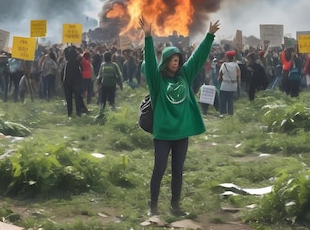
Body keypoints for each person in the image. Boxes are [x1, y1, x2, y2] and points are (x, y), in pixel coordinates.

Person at [140, 16, 220, 217]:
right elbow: (150, 62)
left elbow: (198, 58)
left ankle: (175, 206)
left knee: (178, 171)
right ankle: (153, 206)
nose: (176, 63)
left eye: (178, 60)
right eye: (173, 60)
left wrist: (209, 36)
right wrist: (148, 37)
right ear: (166, 62)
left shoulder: (185, 76)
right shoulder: (157, 81)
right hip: (163, 133)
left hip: (181, 133)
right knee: (159, 170)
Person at [96, 51, 123, 119]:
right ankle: (112, 115)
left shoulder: (103, 65)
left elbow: (99, 76)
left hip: (103, 85)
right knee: (111, 100)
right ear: (111, 57)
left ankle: (100, 114)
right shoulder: (114, 65)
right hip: (112, 85)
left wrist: (98, 86)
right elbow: (119, 76)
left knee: (102, 100)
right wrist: (121, 85)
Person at [218, 50, 240, 116]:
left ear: (227, 57)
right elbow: (238, 76)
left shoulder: (224, 65)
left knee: (223, 102)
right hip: (233, 86)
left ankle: (223, 114)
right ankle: (230, 114)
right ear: (233, 58)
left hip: (224, 85)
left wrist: (220, 81)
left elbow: (220, 76)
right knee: (231, 102)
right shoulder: (236, 66)